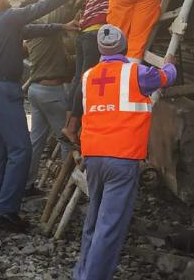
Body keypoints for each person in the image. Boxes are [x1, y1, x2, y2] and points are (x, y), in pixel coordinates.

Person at [0, 0, 91, 233]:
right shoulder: (7, 17)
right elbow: (40, 8)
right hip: (4, 91)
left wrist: (63, 26)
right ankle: (6, 210)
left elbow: (34, 29)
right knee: (20, 150)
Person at [73, 25, 176, 280]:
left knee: (95, 220)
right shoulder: (136, 72)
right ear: (124, 47)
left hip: (94, 156)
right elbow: (166, 77)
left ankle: (82, 273)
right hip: (122, 157)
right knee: (110, 227)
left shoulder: (88, 76)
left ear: (100, 50)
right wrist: (170, 64)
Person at [24, 3, 78, 196]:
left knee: (36, 140)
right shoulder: (45, 32)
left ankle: (26, 184)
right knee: (66, 139)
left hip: (36, 91)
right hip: (50, 92)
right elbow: (61, 10)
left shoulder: (30, 37)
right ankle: (67, 188)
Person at [63, 0, 114, 143]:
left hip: (84, 32)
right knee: (88, 81)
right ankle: (74, 126)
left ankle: (68, 123)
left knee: (78, 79)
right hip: (96, 33)